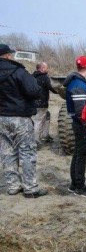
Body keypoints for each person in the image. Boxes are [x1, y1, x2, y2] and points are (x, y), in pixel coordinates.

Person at [0, 43, 48, 198]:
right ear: (7, 55)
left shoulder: (17, 71)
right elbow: (34, 91)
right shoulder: (18, 71)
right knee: (27, 152)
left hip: (1, 118)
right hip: (20, 117)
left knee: (7, 152)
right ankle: (30, 188)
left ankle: (13, 186)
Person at [64, 55, 86, 197]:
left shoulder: (77, 82)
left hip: (78, 124)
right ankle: (79, 186)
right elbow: (80, 111)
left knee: (78, 153)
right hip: (82, 125)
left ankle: (74, 184)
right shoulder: (78, 85)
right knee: (82, 155)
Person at [32, 62, 57, 145]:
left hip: (33, 103)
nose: (47, 69)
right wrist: (59, 91)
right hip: (41, 104)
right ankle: (36, 141)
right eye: (46, 68)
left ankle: (45, 136)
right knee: (38, 121)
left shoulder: (31, 77)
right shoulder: (44, 78)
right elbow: (51, 88)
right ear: (42, 68)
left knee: (47, 116)